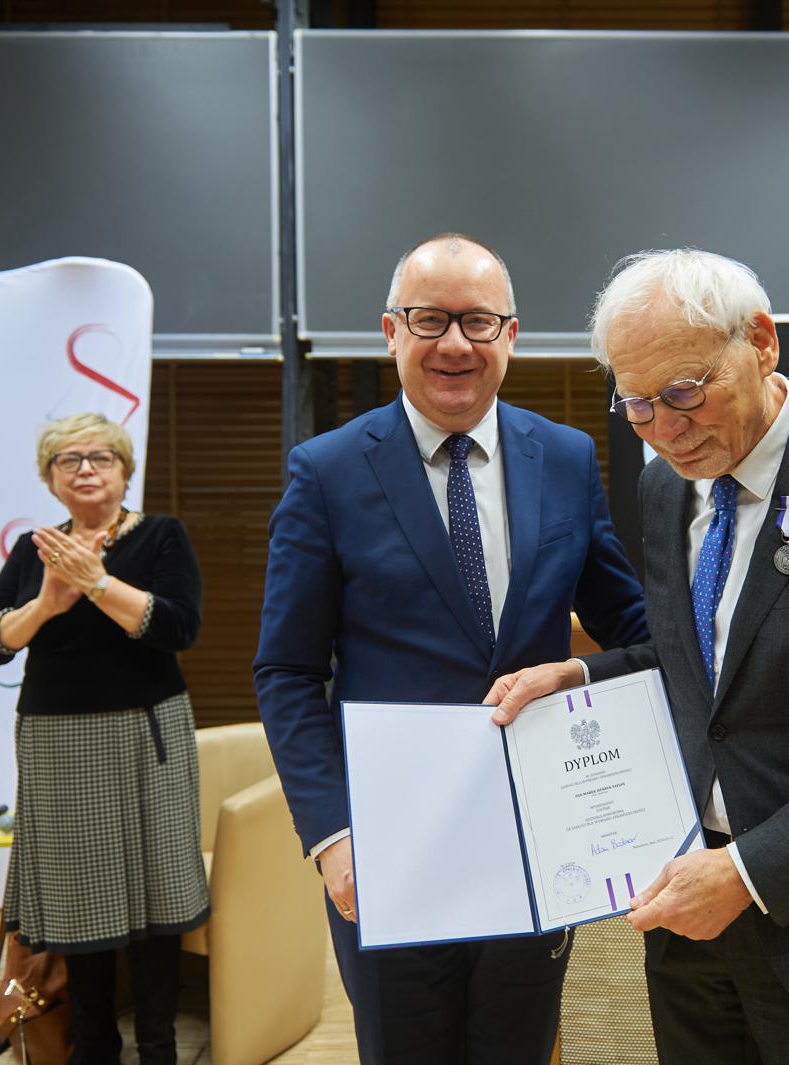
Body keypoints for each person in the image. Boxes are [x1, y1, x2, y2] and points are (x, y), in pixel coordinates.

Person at [487, 249, 789, 1065]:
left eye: (685, 392)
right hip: (690, 924)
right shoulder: (664, 485)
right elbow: (704, 663)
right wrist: (580, 674)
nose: (666, 429)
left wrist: (747, 872)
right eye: (636, 405)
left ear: (760, 341)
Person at [254, 233, 648, 1065]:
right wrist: (332, 834)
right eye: (430, 319)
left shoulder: (567, 459)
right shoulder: (327, 472)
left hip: (536, 842)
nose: (456, 344)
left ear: (512, 335)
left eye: (478, 321)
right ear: (391, 332)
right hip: (391, 850)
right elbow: (287, 671)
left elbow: (643, 637)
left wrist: (576, 671)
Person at [0, 412, 206, 1065]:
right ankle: (94, 1045)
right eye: (68, 460)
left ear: (125, 470)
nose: (86, 469)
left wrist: (98, 583)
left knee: (157, 895)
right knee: (80, 903)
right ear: (50, 479)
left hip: (146, 734)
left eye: (101, 457)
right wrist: (47, 603)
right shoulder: (34, 549)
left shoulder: (161, 535)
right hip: (57, 742)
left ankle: (158, 1046)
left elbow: (179, 627)